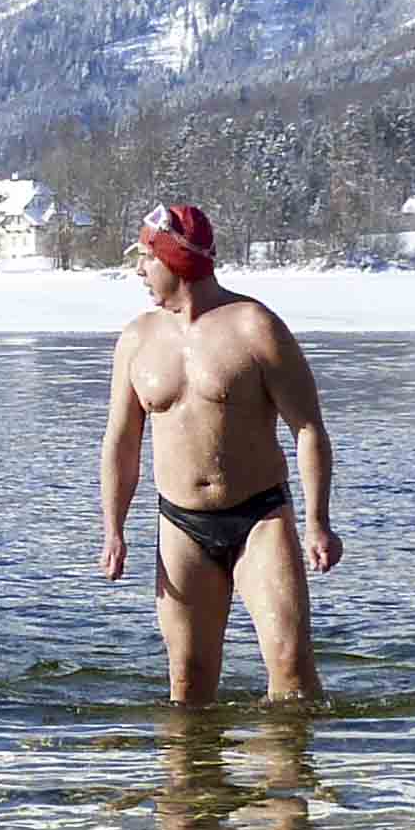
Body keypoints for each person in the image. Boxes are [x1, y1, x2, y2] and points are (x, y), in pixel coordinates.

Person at [99, 202, 344, 705]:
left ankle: (291, 780)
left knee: (291, 673)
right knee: (188, 684)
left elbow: (308, 429)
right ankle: (197, 785)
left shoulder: (255, 327)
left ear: (174, 259)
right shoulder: (137, 339)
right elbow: (121, 441)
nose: (139, 272)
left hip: (260, 518)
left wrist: (317, 520)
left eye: (146, 258)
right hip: (181, 526)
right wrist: (114, 528)